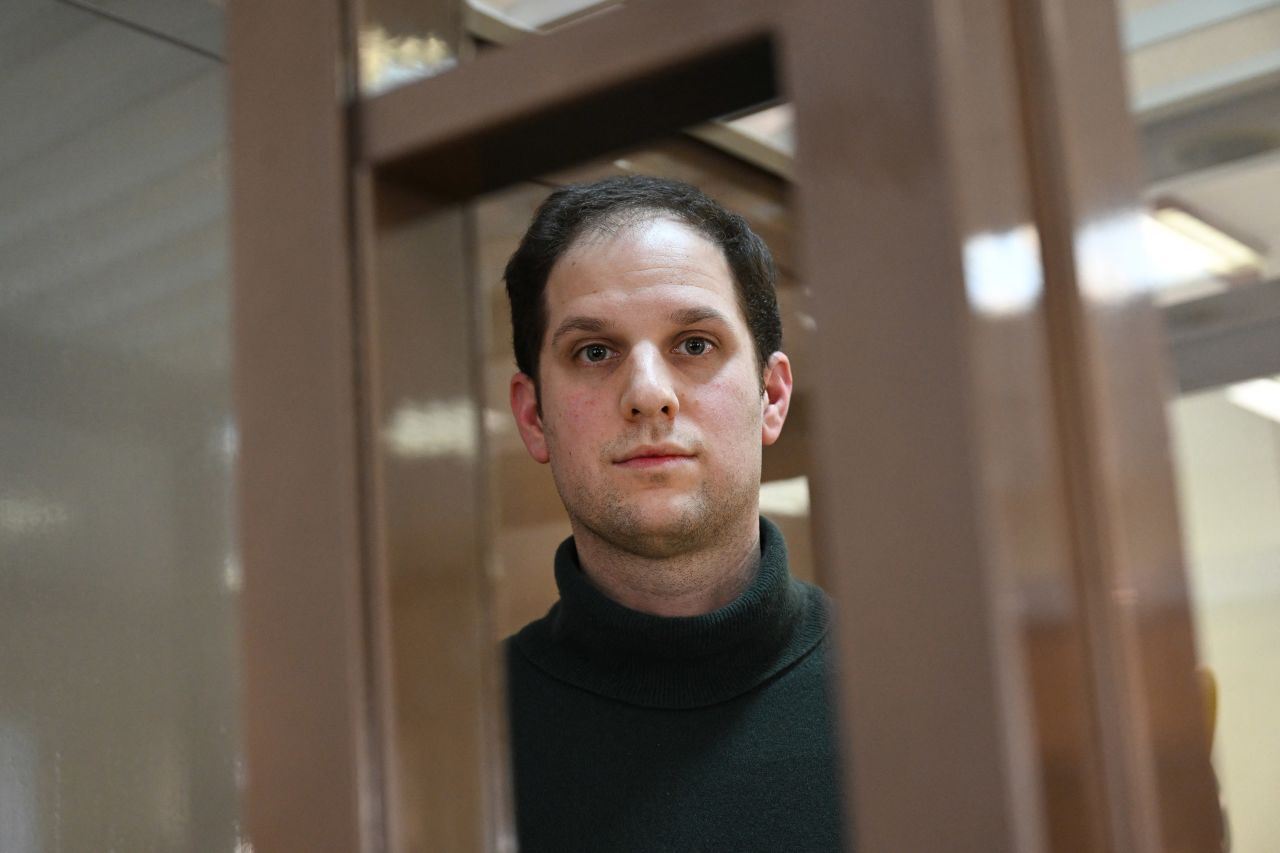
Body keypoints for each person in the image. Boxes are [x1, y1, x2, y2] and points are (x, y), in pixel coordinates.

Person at [503, 175, 846, 852]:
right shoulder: (448, 749)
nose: (648, 394)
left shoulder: (917, 698)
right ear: (533, 415)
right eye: (594, 352)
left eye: (694, 344)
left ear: (773, 397)